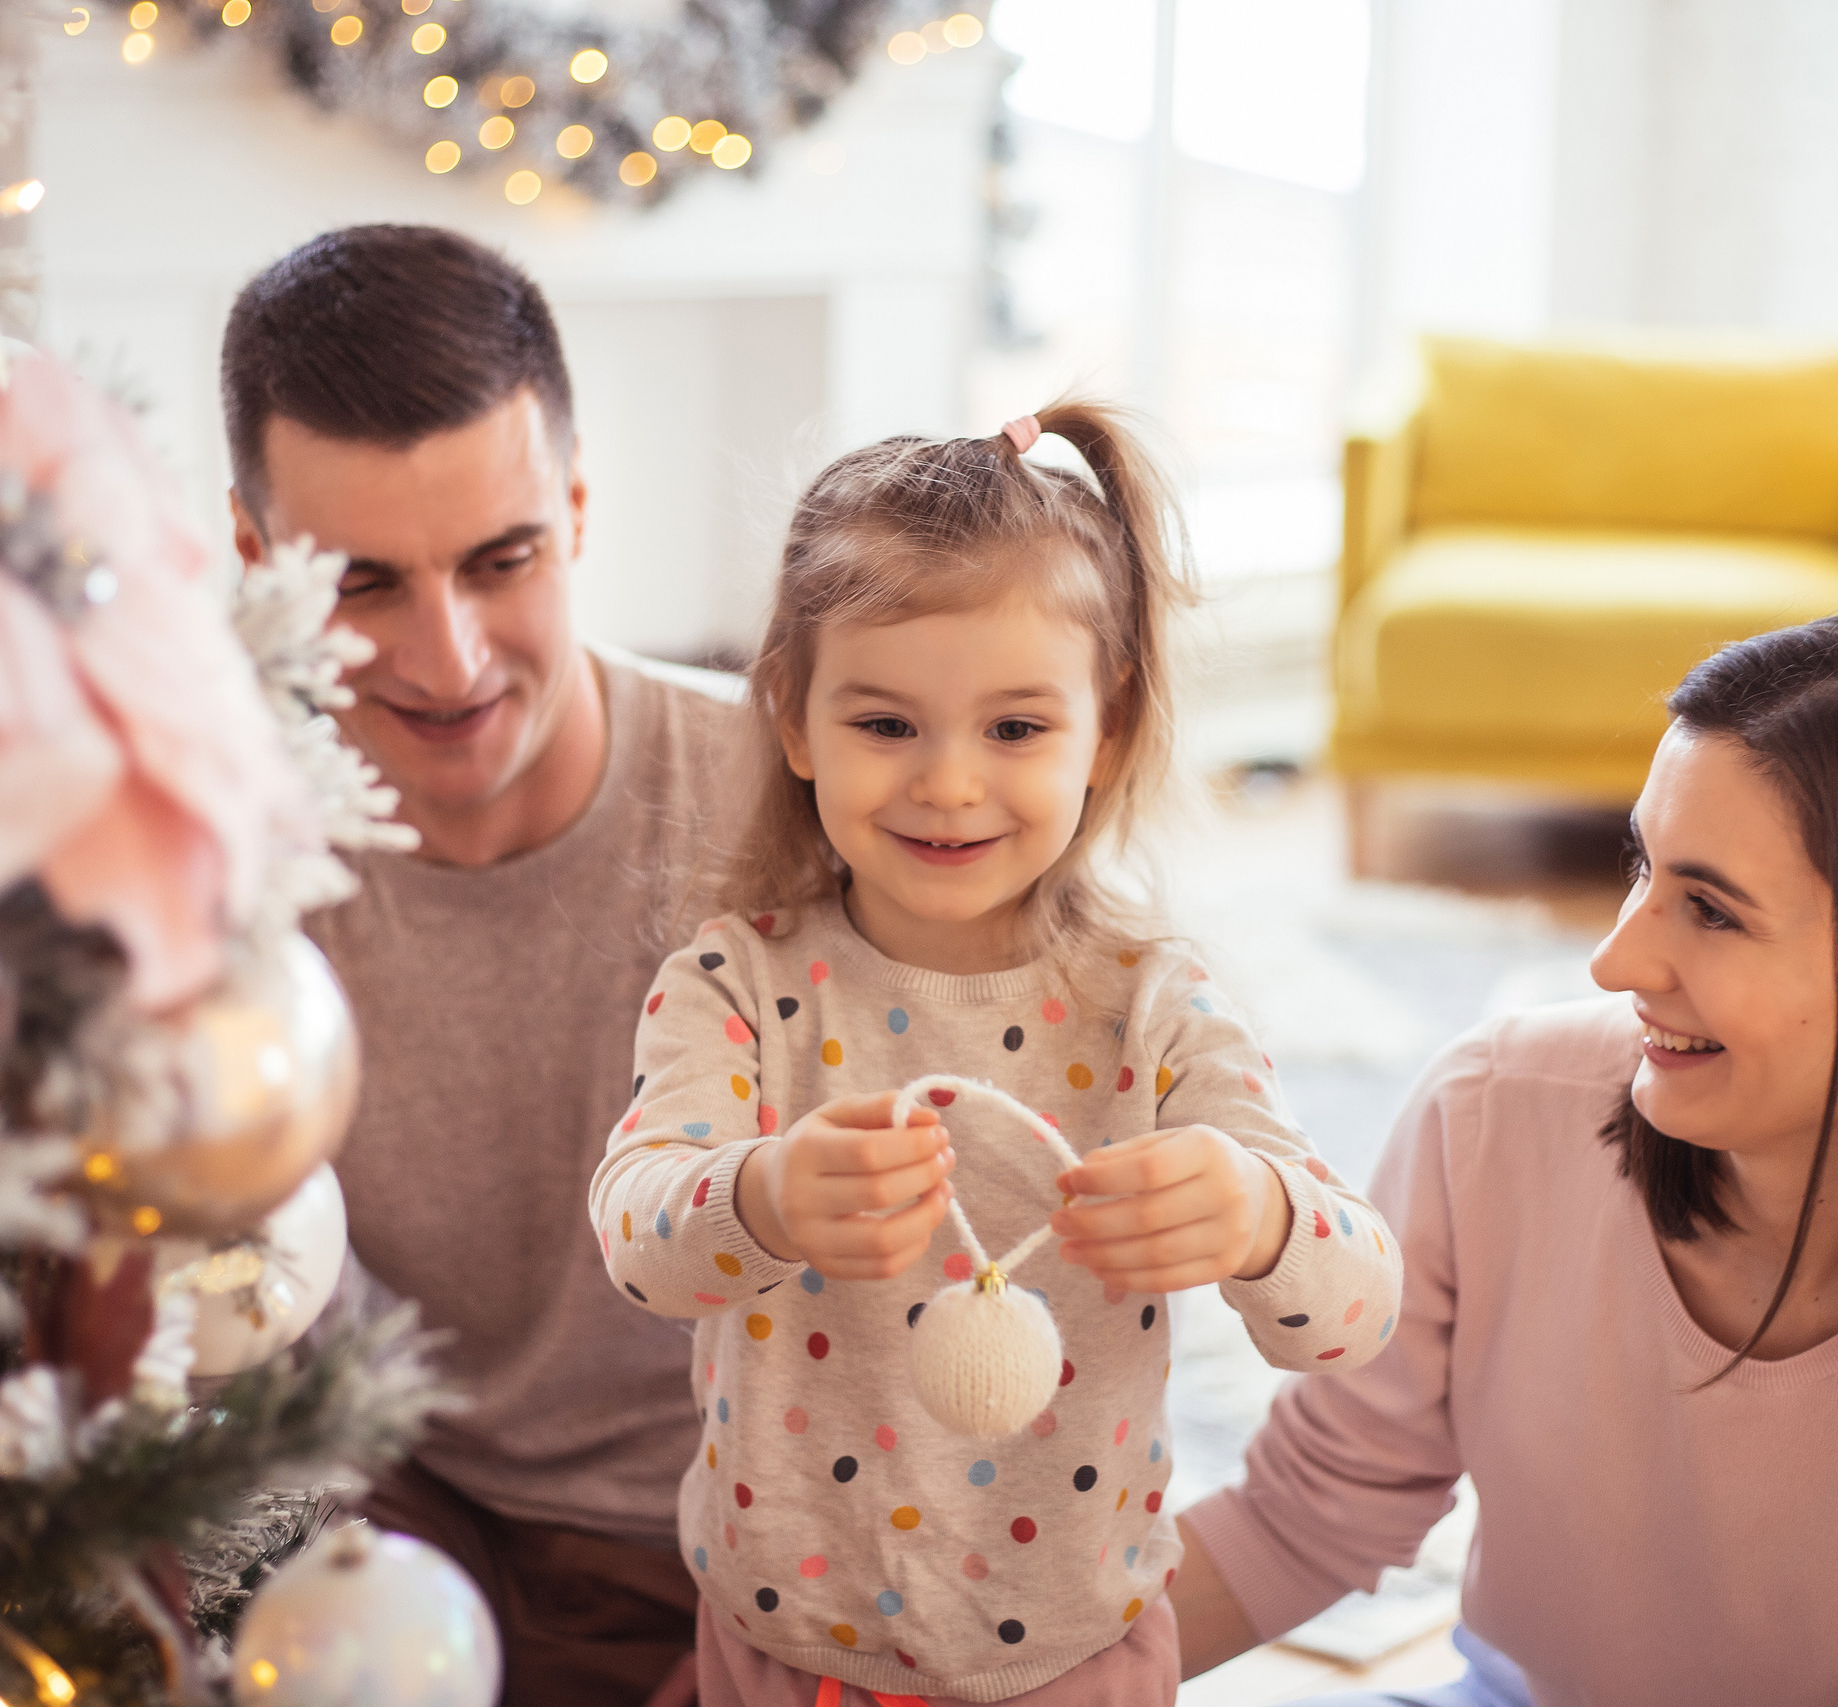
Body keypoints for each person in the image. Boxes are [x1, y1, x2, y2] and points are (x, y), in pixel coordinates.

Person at [1167, 605, 1838, 1707]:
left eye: (1711, 911)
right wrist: (1034, 1676)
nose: (1612, 955)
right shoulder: (1495, 1113)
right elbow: (1308, 1510)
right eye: (1643, 866)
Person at [587, 403, 1404, 1706]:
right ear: (797, 721)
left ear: (1109, 730)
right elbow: (638, 1239)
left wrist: (1257, 1212)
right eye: (887, 724)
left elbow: (1356, 1309)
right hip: (783, 1648)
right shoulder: (734, 981)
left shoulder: (1155, 1004)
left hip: (1073, 1657)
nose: (952, 783)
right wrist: (767, 1192)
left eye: (1017, 728)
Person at [223, 224, 742, 1707]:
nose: (445, 661)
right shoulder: (204, 853)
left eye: (502, 561)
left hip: (726, 1550)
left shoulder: (792, 804)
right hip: (367, 1537)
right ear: (257, 560)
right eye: (362, 582)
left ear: (577, 510)